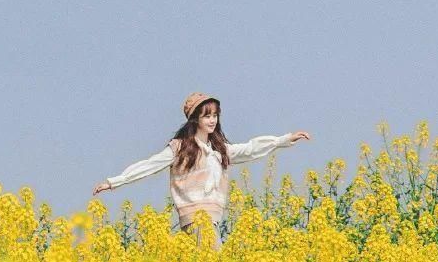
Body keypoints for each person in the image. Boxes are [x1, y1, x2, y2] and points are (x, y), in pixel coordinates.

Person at [92, 92, 310, 249]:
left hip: (211, 220)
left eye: (215, 115)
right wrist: (114, 182)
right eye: (207, 115)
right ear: (195, 119)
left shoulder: (218, 150)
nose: (212, 120)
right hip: (196, 219)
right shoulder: (180, 148)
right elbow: (149, 165)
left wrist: (284, 139)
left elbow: (251, 149)